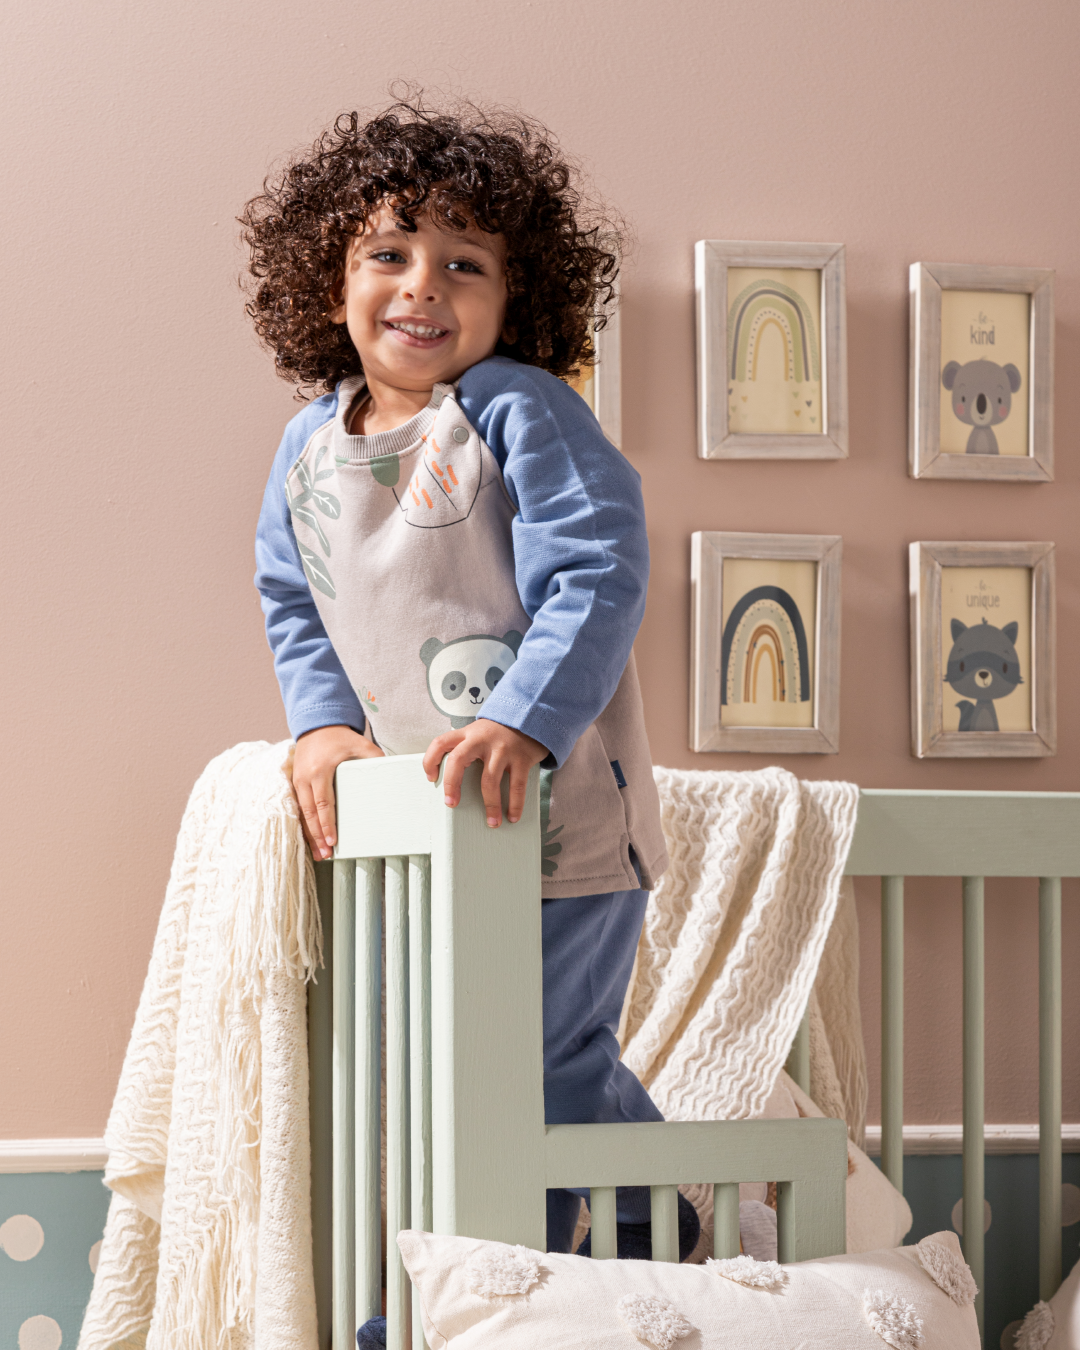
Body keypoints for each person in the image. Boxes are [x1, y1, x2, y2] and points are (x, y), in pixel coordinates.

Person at [244, 100, 698, 1286]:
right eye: (388, 254)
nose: (422, 285)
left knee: (542, 1059)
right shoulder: (308, 447)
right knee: (442, 1072)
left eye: (465, 264)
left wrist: (522, 719)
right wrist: (322, 726)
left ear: (515, 295)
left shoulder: (516, 409)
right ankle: (489, 1278)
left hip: (563, 820)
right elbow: (294, 598)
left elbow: (597, 567)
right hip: (432, 828)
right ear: (329, 283)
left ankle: (639, 1239)